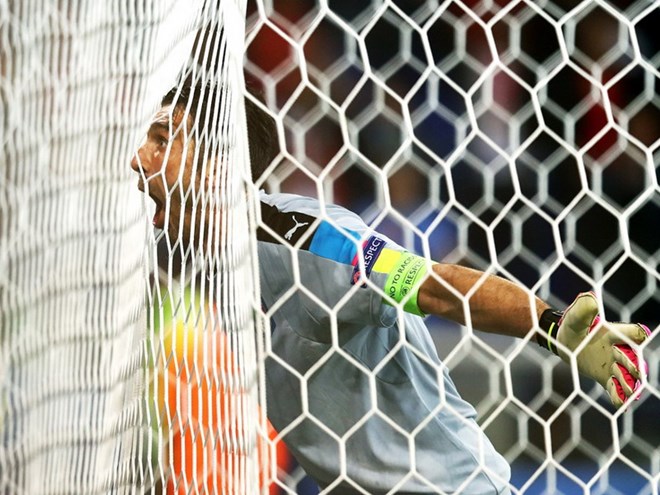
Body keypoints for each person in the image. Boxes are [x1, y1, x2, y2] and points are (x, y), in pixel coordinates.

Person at [131, 81, 651, 495]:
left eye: (161, 140)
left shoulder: (306, 239)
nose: (139, 158)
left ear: (218, 163)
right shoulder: (188, 269)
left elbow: (438, 286)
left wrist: (553, 328)